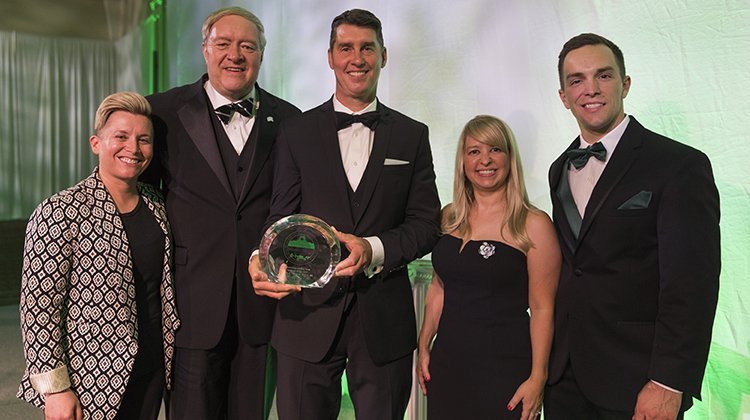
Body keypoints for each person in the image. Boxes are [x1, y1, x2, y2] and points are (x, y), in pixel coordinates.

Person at [249, 9, 441, 420]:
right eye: (346, 48)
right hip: (305, 319)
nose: (357, 58)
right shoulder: (295, 131)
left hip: (384, 323)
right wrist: (261, 257)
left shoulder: (413, 135)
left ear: (384, 56)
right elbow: (280, 215)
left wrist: (372, 249)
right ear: (330, 57)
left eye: (367, 48)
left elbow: (426, 225)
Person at [545, 33, 720, 419]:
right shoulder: (559, 169)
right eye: (576, 80)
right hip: (564, 380)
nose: (590, 89)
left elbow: (692, 284)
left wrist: (668, 382)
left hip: (638, 382)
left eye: (603, 76)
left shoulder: (678, 165)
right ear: (563, 96)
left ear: (624, 84)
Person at [142, 7, 301, 419]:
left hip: (262, 307)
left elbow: (292, 203)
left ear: (262, 55)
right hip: (190, 300)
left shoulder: (291, 121)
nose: (236, 55)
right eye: (224, 44)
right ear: (205, 50)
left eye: (248, 46)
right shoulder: (160, 113)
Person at [17, 92, 179, 419]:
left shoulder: (157, 203)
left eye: (143, 140)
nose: (133, 148)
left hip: (152, 368)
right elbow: (38, 309)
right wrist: (56, 389)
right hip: (90, 380)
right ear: (96, 143)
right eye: (121, 137)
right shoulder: (59, 211)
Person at [415, 115, 560, 420]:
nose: (485, 160)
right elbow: (440, 288)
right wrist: (424, 343)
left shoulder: (534, 224)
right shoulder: (448, 217)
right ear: (463, 162)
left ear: (509, 157)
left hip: (505, 371)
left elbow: (543, 308)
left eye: (495, 149)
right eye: (474, 151)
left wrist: (538, 378)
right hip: (448, 368)